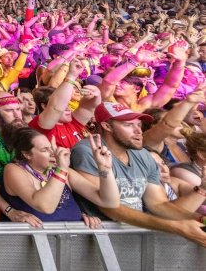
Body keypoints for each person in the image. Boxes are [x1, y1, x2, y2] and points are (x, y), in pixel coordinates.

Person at [70, 102, 206, 247]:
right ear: (107, 126)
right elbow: (111, 209)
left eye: (138, 124)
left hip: (134, 238)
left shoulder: (142, 154)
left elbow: (158, 204)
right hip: (97, 242)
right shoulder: (88, 150)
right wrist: (176, 227)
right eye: (128, 125)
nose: (138, 131)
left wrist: (199, 219)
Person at [2, 127, 119, 228]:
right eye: (45, 150)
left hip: (73, 238)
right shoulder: (14, 170)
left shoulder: (62, 171)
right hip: (38, 243)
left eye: (52, 148)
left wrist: (104, 169)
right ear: (26, 154)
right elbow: (45, 206)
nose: (53, 153)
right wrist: (61, 169)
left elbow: (109, 201)